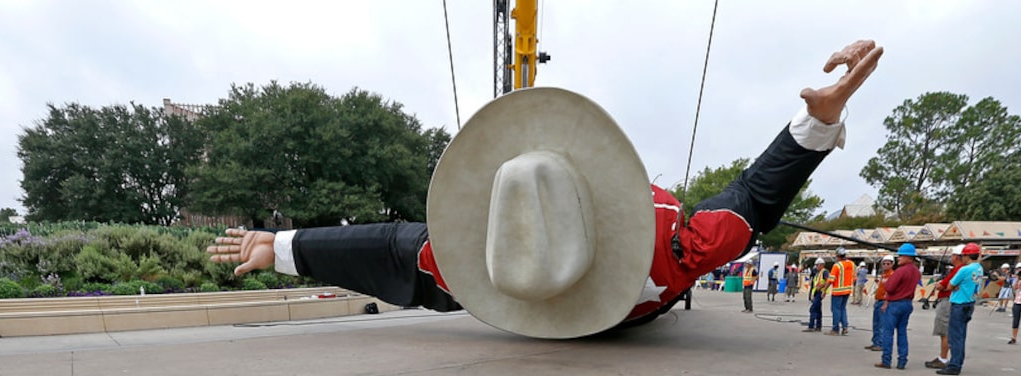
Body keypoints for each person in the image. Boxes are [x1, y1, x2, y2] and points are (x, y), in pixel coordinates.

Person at [209, 40, 885, 340]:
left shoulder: (464, 259)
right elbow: (749, 202)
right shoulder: (668, 250)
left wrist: (283, 246)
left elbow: (385, 249)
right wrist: (814, 126)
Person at [936, 243, 984, 376]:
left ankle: (955, 365)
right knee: (961, 335)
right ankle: (957, 362)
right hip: (970, 302)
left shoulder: (964, 270)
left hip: (959, 303)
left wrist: (954, 286)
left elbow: (950, 285)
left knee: (955, 336)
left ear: (967, 256)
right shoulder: (979, 268)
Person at [874, 243, 921, 369]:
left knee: (888, 333)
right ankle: (902, 360)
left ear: (908, 257)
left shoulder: (900, 271)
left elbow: (889, 287)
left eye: (901, 256)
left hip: (895, 304)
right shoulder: (916, 271)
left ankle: (886, 360)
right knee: (902, 333)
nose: (898, 258)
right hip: (907, 303)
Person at [923, 247, 962, 368]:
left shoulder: (958, 270)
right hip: (949, 300)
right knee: (946, 330)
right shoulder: (958, 270)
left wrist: (940, 285)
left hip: (946, 301)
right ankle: (943, 357)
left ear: (956, 256)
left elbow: (945, 285)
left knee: (944, 331)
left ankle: (943, 358)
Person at [864, 255, 892, 352]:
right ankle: (875, 342)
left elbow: (891, 290)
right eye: (884, 263)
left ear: (892, 264)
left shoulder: (892, 275)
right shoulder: (883, 275)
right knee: (875, 323)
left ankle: (880, 343)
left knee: (881, 324)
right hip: (878, 300)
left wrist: (886, 303)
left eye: (888, 263)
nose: (885, 265)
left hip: (884, 301)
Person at [826, 247, 855, 335]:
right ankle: (845, 327)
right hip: (847, 290)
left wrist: (824, 290)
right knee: (843, 309)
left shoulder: (837, 265)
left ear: (838, 256)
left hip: (838, 291)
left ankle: (835, 329)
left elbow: (831, 279)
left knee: (836, 309)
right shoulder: (852, 264)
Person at [803, 258, 828, 332]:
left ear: (822, 265)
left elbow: (828, 280)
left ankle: (811, 326)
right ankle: (818, 326)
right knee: (817, 310)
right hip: (817, 292)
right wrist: (813, 294)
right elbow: (816, 284)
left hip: (820, 292)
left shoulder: (824, 272)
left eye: (817, 265)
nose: (816, 267)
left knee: (813, 309)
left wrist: (824, 289)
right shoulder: (818, 273)